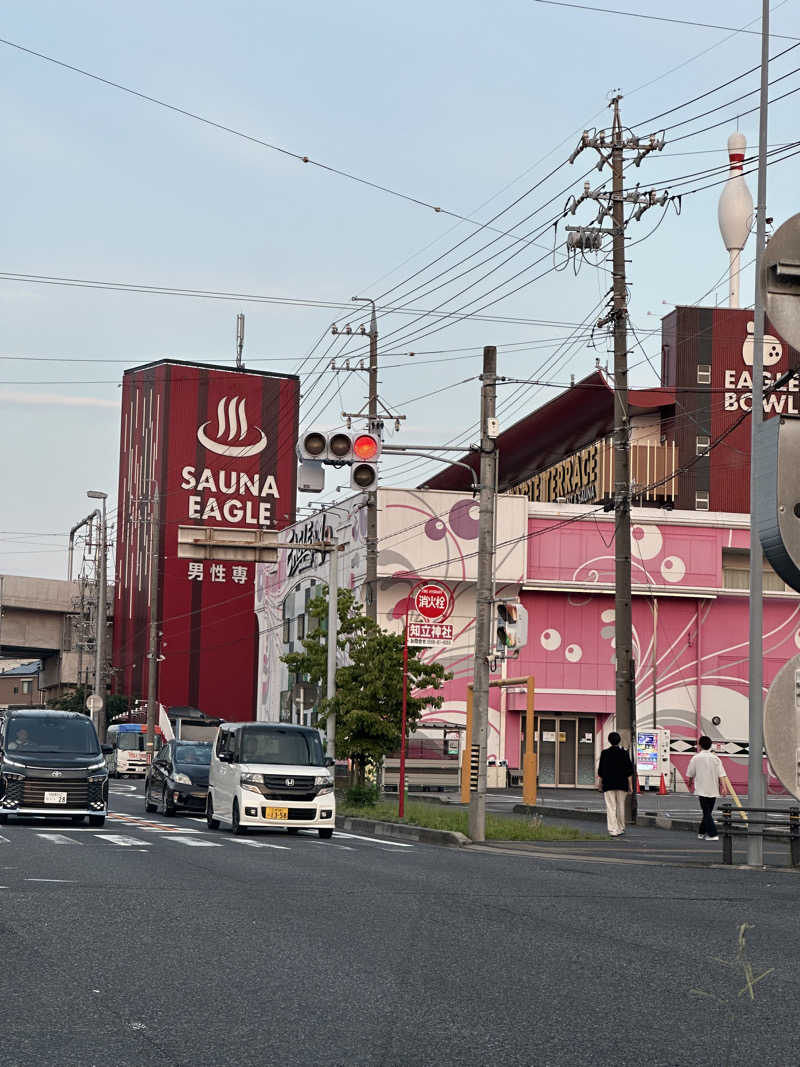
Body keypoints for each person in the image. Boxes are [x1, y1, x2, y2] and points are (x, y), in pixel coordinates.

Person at [685, 735, 727, 841]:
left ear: (699, 746)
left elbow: (691, 774)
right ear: (710, 745)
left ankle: (713, 834)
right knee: (707, 812)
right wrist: (724, 787)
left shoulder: (696, 758)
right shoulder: (716, 759)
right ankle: (701, 832)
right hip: (713, 789)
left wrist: (689, 783)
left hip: (701, 789)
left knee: (706, 812)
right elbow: (721, 774)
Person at [597, 731, 634, 837]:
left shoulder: (605, 753)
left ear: (609, 741)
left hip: (608, 784)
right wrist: (630, 786)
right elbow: (629, 772)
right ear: (619, 741)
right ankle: (621, 827)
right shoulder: (624, 753)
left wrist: (600, 784)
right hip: (622, 784)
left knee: (610, 806)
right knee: (620, 806)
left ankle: (612, 829)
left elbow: (601, 771)